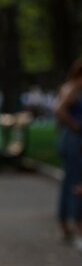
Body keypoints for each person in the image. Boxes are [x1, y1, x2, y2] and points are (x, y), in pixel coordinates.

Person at [54, 58, 82, 251]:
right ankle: (76, 224)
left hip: (67, 139)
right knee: (76, 183)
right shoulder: (77, 86)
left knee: (69, 182)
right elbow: (59, 110)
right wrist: (77, 126)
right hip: (74, 139)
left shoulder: (68, 85)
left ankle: (65, 222)